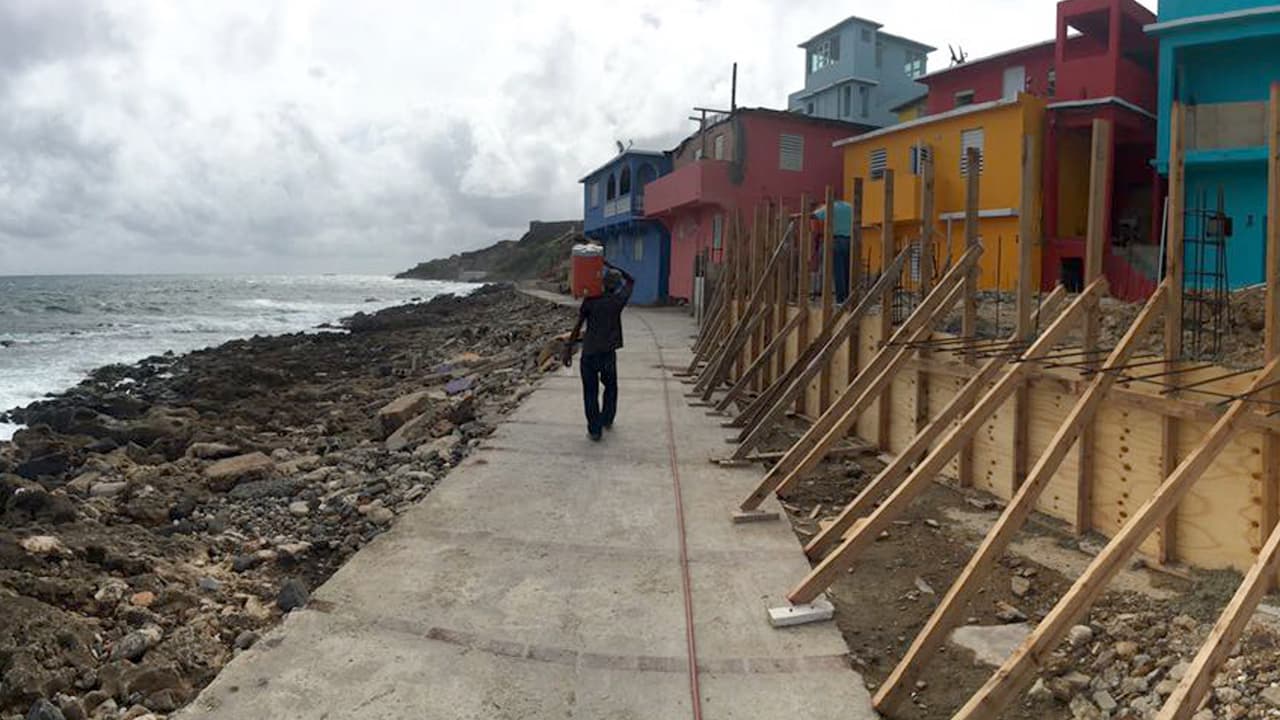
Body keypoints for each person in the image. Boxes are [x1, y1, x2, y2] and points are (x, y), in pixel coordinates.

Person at [563, 262, 635, 441]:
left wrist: (568, 348)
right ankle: (607, 419)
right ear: (617, 286)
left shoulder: (590, 301)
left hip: (589, 353)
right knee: (610, 387)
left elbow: (579, 324)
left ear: (603, 282)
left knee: (590, 392)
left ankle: (595, 430)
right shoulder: (618, 301)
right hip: (608, 353)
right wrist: (608, 263)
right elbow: (631, 280)